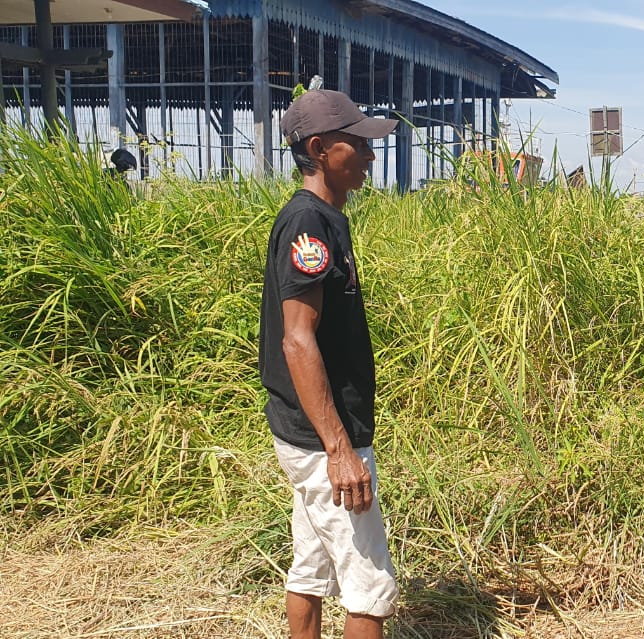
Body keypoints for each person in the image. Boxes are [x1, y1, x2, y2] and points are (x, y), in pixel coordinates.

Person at [259, 89, 400, 639]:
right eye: (357, 144)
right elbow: (298, 340)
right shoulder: (308, 224)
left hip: (310, 432)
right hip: (325, 438)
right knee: (370, 585)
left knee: (311, 567)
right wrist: (341, 452)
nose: (369, 155)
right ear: (319, 149)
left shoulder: (324, 220)